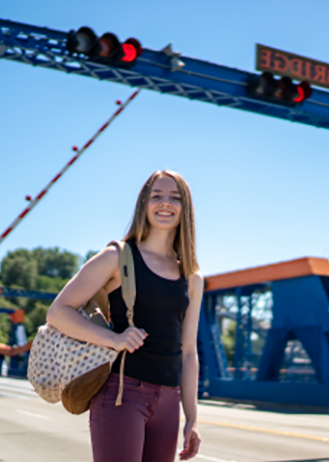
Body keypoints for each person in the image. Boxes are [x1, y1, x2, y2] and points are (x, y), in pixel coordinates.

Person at [46, 170, 203, 462]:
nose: (165, 203)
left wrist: (191, 418)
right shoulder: (117, 257)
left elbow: (189, 353)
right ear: (144, 204)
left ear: (186, 209)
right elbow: (58, 312)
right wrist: (113, 338)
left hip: (169, 402)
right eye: (156, 196)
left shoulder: (192, 277)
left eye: (175, 197)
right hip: (122, 393)